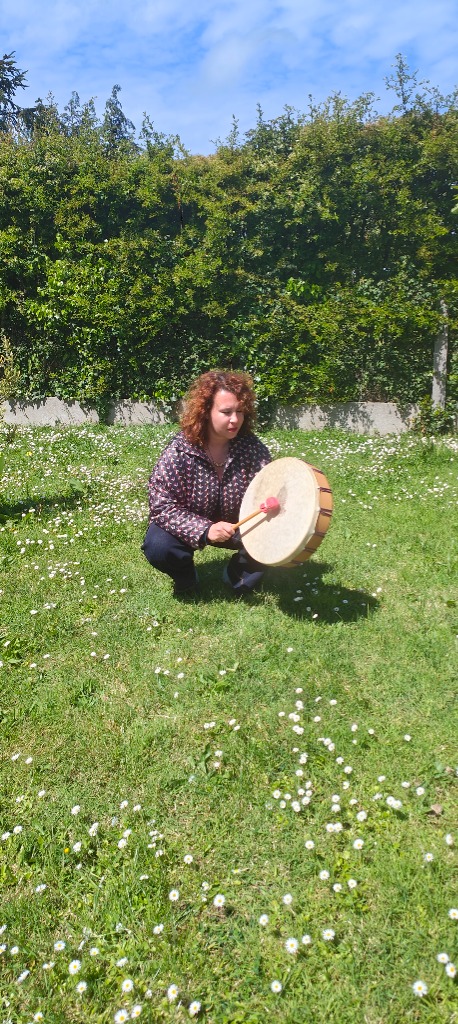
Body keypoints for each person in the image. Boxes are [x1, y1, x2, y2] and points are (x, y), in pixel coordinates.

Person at [142, 370, 271, 596]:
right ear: (206, 412)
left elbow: (269, 491)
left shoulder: (252, 448)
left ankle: (240, 574)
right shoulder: (180, 451)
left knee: (277, 534)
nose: (235, 419)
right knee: (158, 545)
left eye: (240, 411)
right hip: (192, 521)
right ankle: (185, 577)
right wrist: (204, 529)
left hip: (240, 526)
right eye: (226, 412)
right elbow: (161, 506)